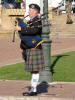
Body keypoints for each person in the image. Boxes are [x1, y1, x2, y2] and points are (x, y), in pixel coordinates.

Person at [15, 4, 45, 96]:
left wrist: (21, 29)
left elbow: (34, 31)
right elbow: (30, 30)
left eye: (31, 10)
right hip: (30, 48)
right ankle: (33, 89)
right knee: (33, 70)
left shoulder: (37, 21)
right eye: (29, 10)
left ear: (36, 11)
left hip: (34, 48)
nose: (29, 12)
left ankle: (34, 90)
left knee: (35, 70)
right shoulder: (32, 21)